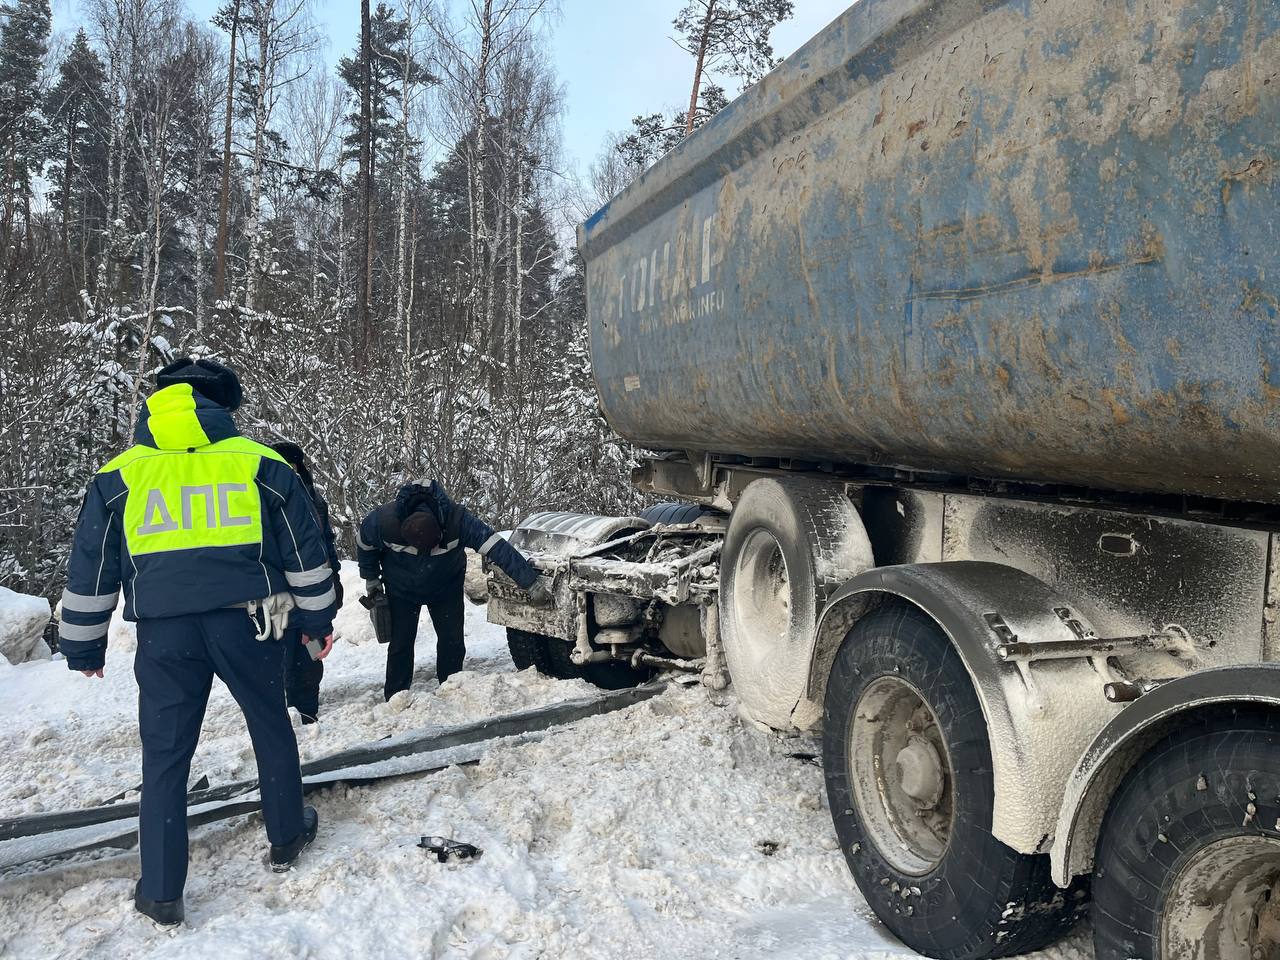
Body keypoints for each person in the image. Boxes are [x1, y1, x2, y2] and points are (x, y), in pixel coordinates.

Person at [58, 358, 337, 928]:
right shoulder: (262, 465)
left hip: (164, 630)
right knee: (269, 721)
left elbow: (91, 566)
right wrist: (317, 620)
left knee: (164, 754)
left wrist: (83, 645)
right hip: (259, 615)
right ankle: (286, 835)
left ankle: (162, 891)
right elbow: (303, 553)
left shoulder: (119, 476)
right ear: (223, 409)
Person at [357, 481, 549, 700]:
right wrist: (371, 580)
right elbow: (365, 546)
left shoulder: (460, 522)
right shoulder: (383, 522)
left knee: (452, 641)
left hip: (446, 587)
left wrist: (530, 583)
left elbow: (498, 548)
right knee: (400, 643)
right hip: (401, 589)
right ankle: (395, 697)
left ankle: (452, 689)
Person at [270, 441, 343, 724]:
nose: (290, 472)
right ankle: (280, 713)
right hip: (275, 595)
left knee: (311, 655)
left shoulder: (315, 500)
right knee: (278, 656)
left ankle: (307, 709)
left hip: (311, 590)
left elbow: (326, 543)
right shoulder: (262, 498)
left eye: (294, 466)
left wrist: (333, 576)